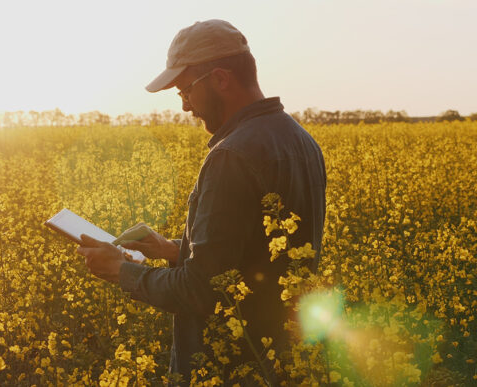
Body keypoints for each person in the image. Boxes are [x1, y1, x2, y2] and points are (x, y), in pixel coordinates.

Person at [77, 19, 326, 385]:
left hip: (231, 365)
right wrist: (173, 250)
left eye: (185, 91)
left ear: (221, 79)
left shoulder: (232, 155)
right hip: (283, 359)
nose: (185, 107)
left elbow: (202, 291)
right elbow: (252, 259)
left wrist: (121, 270)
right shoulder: (301, 141)